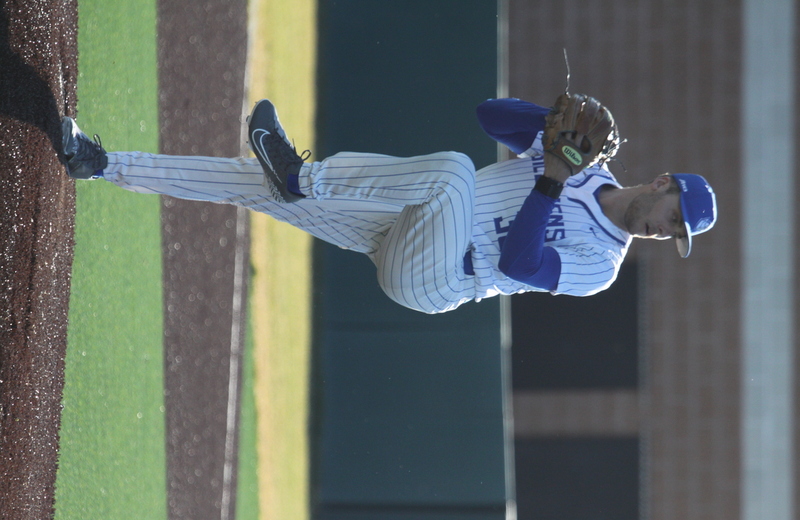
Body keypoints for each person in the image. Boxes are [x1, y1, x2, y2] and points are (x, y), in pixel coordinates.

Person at [60, 97, 717, 314]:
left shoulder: (601, 263)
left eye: (677, 234)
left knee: (456, 175)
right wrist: (554, 124)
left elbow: (519, 263)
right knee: (248, 184)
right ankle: (101, 162)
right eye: (675, 215)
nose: (667, 231)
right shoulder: (577, 165)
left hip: (436, 278)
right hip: (392, 227)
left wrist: (547, 176)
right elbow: (489, 116)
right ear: (661, 183)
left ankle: (304, 177)